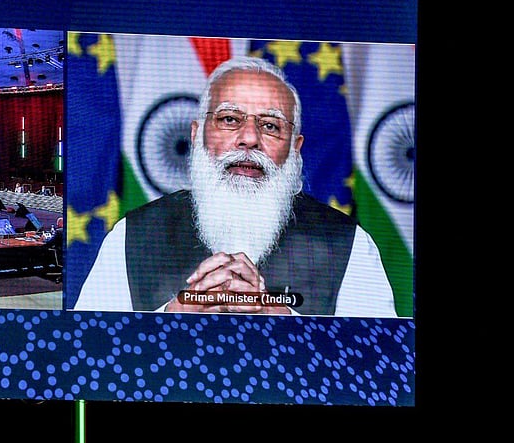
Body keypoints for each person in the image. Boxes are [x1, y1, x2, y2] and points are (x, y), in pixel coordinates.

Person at [72, 55, 397, 316]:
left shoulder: (348, 243)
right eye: (229, 119)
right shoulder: (132, 235)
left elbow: (378, 364)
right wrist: (171, 316)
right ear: (197, 135)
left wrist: (281, 319)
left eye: (270, 126)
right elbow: (88, 352)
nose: (250, 138)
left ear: (295, 148)